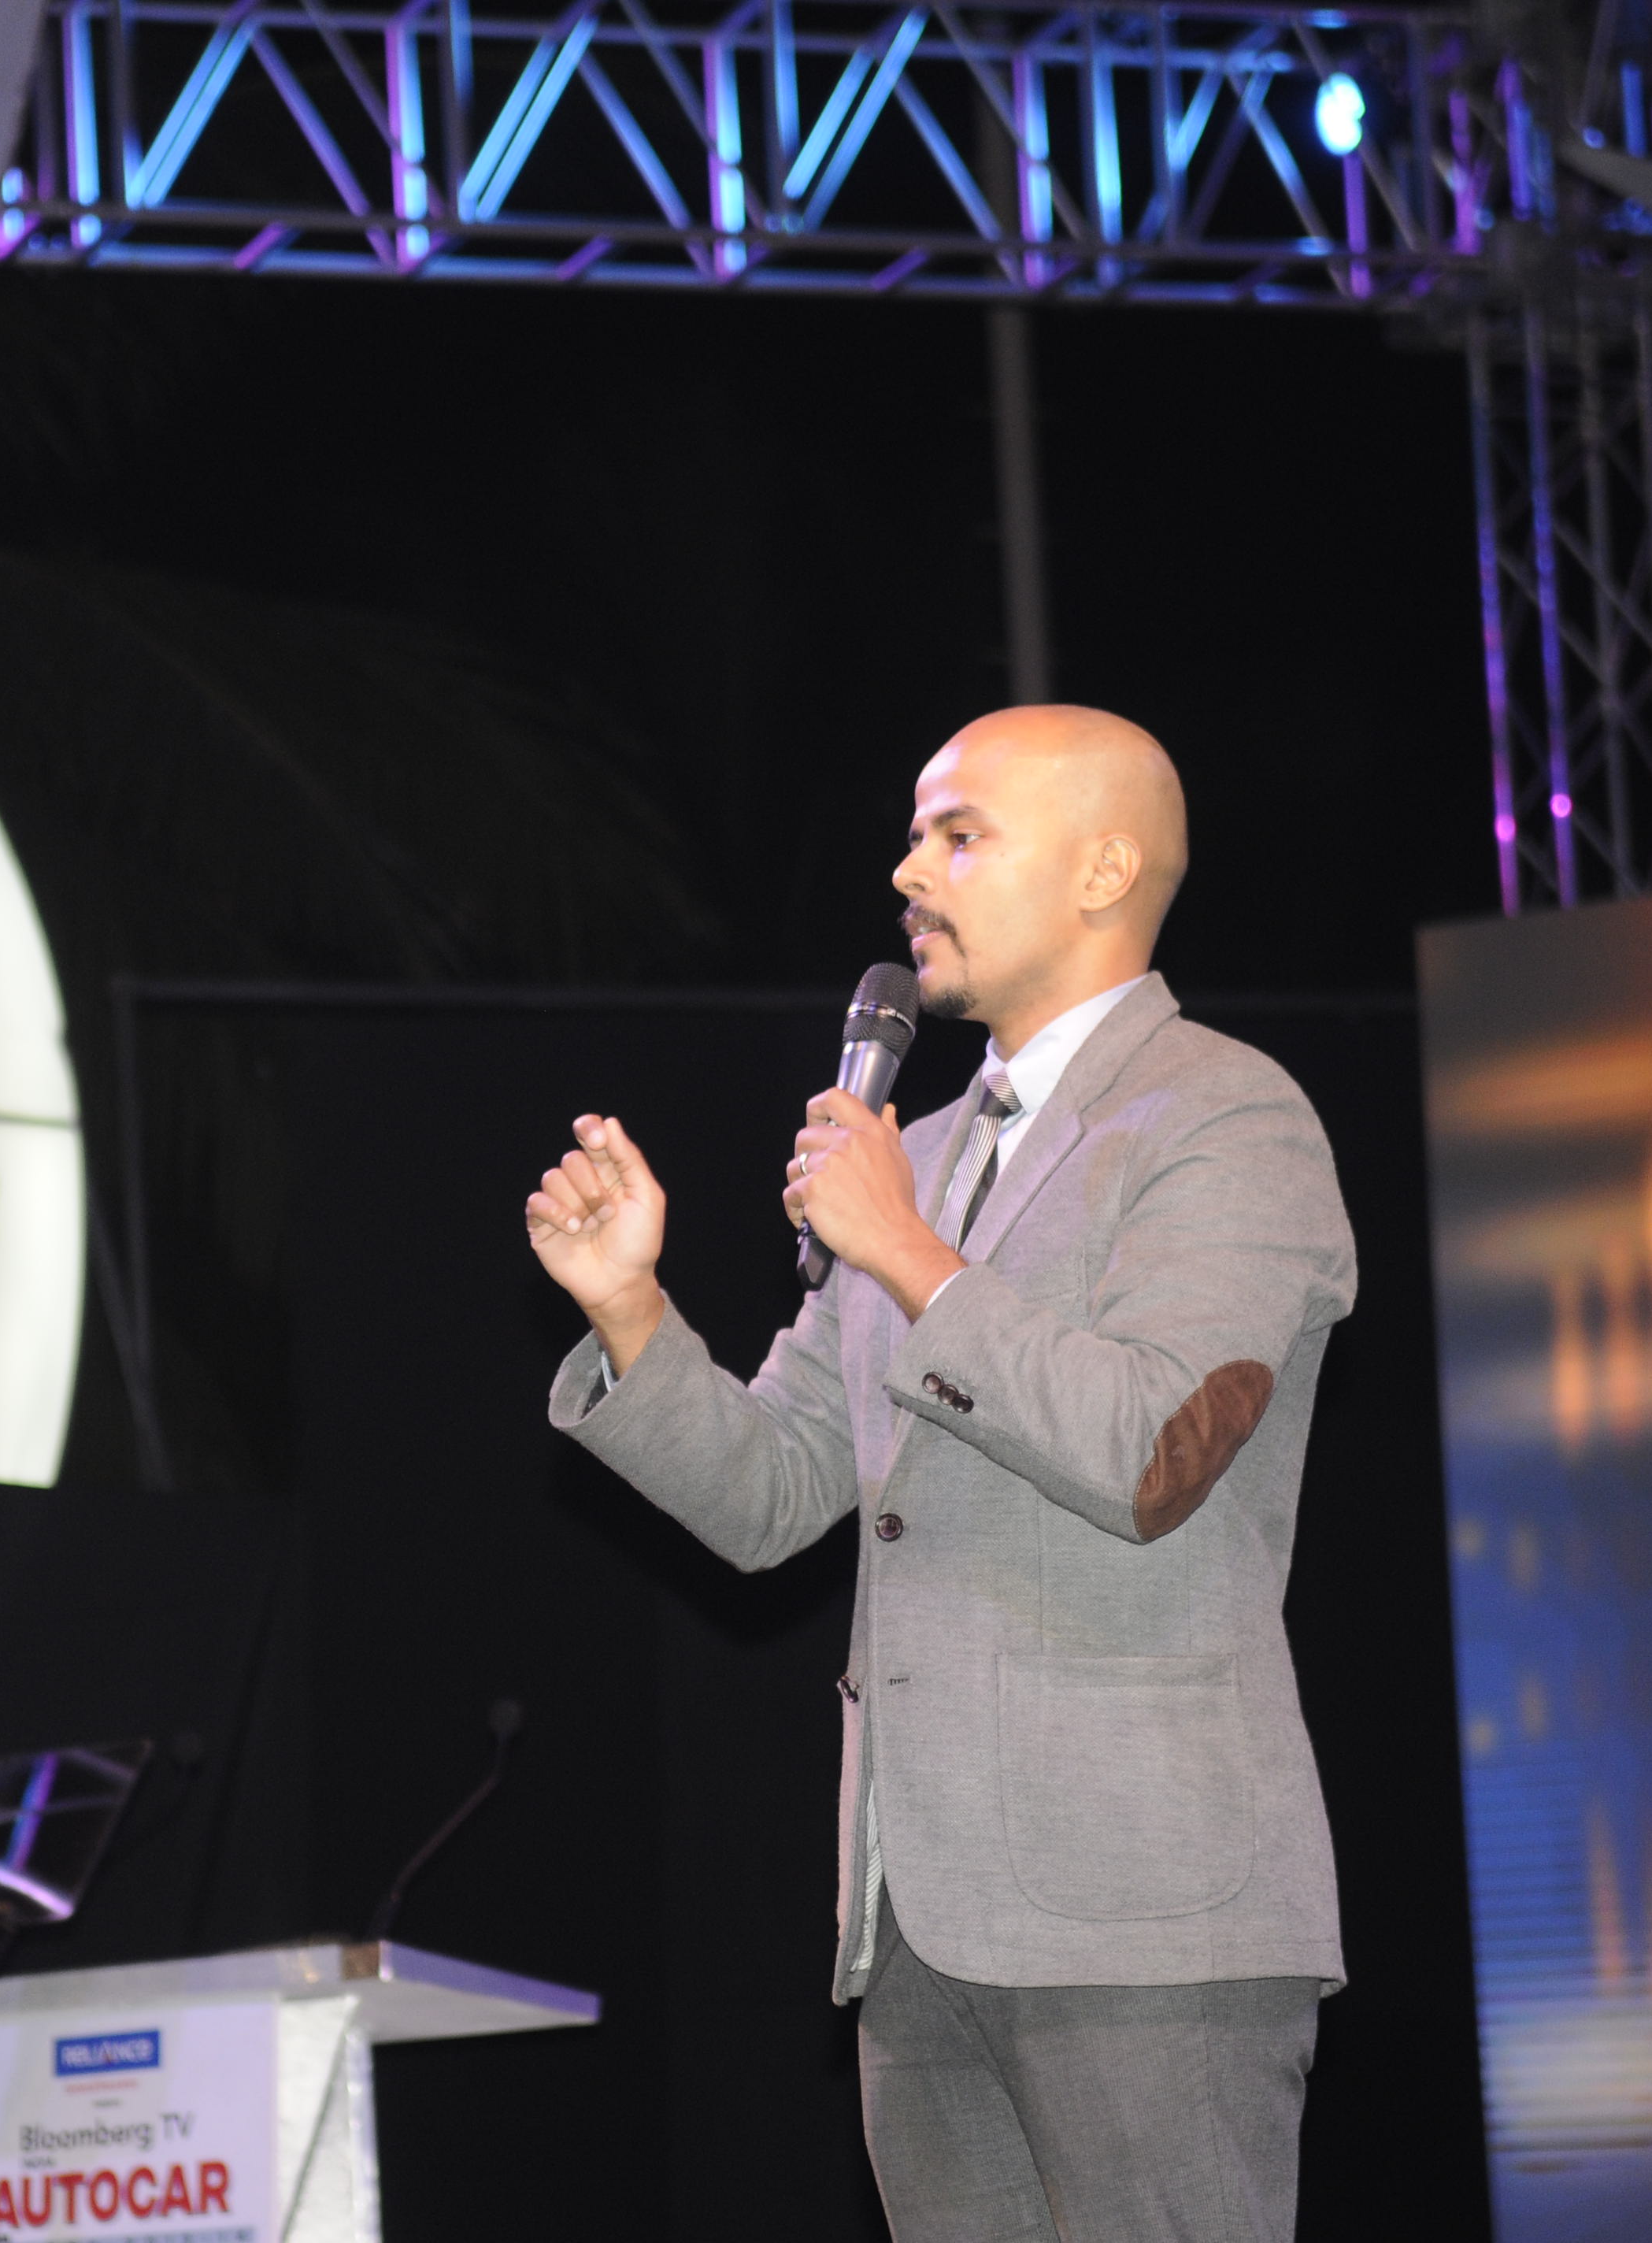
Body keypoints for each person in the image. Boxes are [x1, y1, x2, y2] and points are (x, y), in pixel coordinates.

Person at [524, 706, 1357, 2242]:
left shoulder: (1222, 1116)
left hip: (1143, 1922)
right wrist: (629, 1307)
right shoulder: (913, 1157)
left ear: (1103, 869)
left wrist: (907, 1250)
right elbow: (772, 1494)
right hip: (916, 1923)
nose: (908, 872)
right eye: (915, 836)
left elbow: (1152, 1450)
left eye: (958, 835)